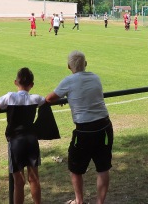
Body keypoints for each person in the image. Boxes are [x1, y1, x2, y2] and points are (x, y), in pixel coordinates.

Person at [46, 51, 113, 204]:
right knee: (103, 168)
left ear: (69, 66)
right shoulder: (95, 77)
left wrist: (64, 96)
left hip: (85, 130)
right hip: (105, 126)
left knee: (75, 169)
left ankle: (79, 201)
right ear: (86, 64)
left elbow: (49, 98)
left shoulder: (68, 81)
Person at [0, 68, 45, 204]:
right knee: (34, 178)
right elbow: (46, 100)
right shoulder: (35, 98)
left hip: (16, 142)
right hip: (31, 140)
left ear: (15, 82)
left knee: (18, 182)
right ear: (32, 85)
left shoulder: (10, 97)